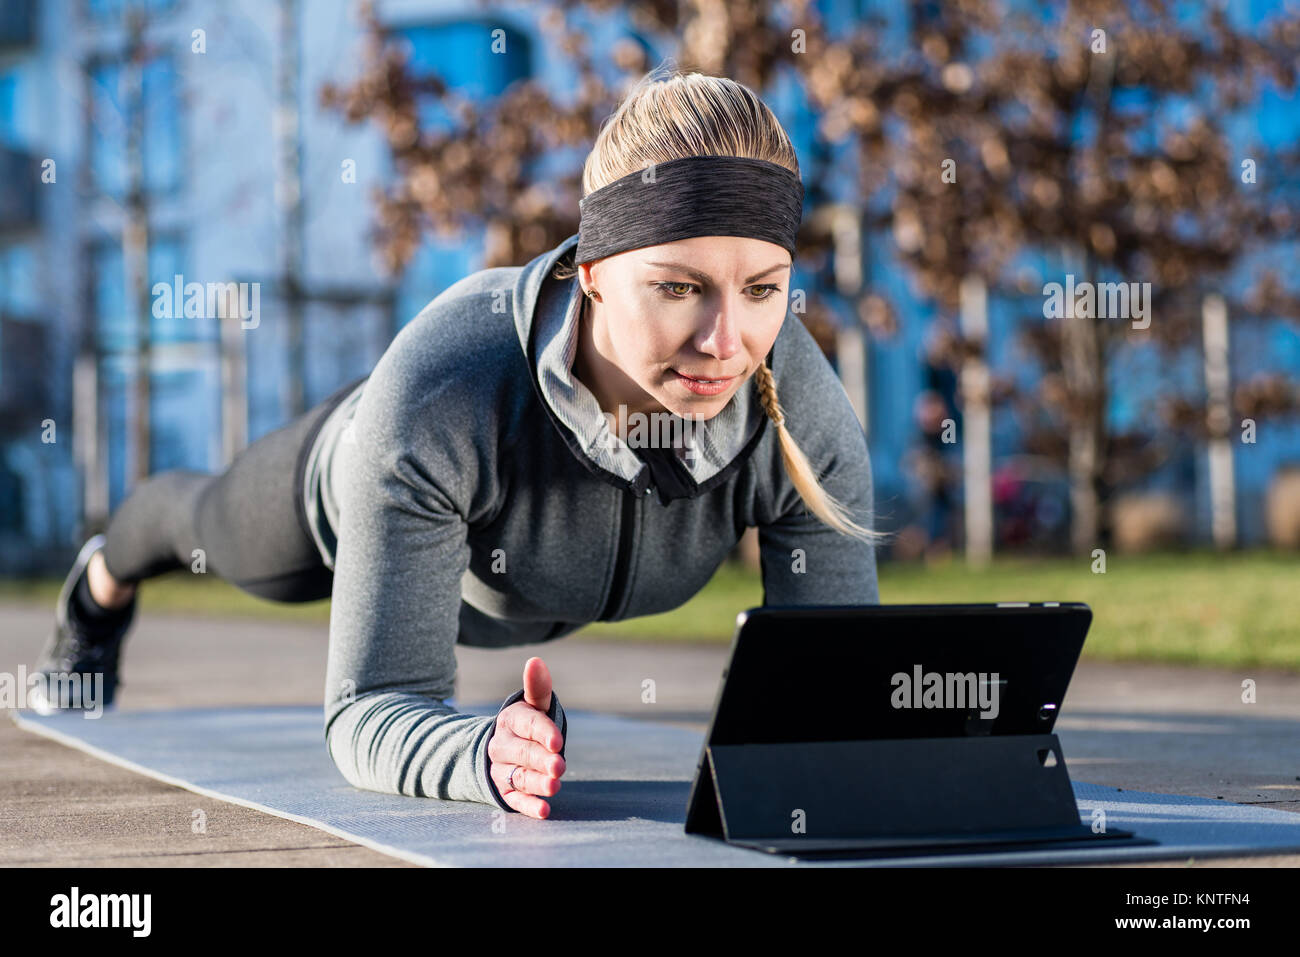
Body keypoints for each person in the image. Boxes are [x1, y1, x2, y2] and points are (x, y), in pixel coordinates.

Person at [31, 69, 882, 821]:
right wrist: (476, 755)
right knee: (202, 521)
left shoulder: (799, 410)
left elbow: (837, 701)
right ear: (591, 270)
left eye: (763, 289)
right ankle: (100, 583)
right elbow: (372, 707)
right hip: (342, 488)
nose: (725, 341)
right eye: (678, 288)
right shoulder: (445, 389)